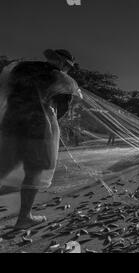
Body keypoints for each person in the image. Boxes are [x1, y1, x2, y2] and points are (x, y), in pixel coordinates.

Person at [0, 49, 82, 229]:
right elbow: (62, 109)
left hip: (10, 121)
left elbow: (4, 89)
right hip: (37, 125)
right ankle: (24, 217)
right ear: (64, 64)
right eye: (68, 67)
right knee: (35, 168)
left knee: (4, 165)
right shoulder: (63, 79)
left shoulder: (20, 68)